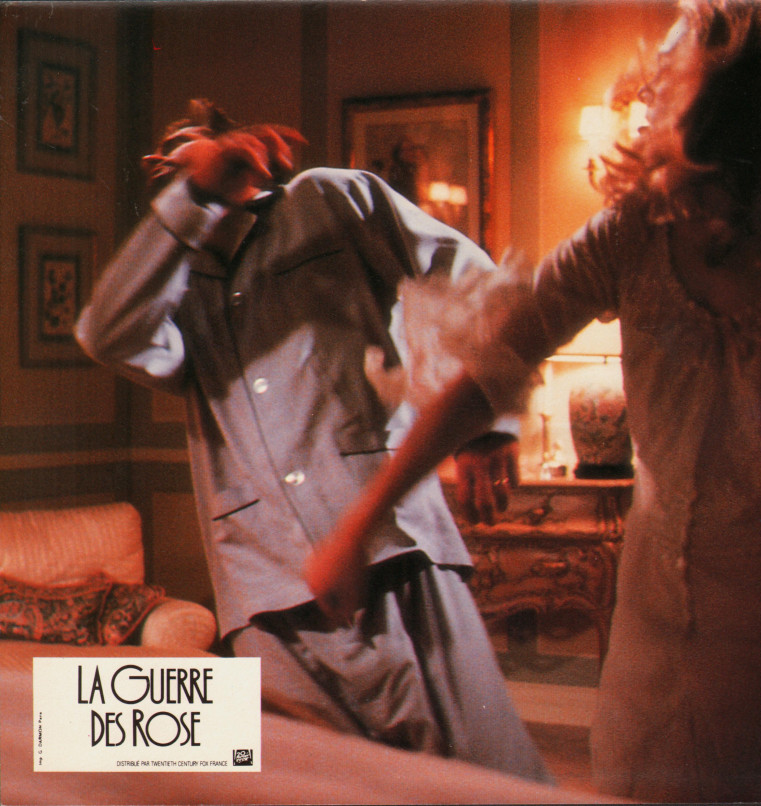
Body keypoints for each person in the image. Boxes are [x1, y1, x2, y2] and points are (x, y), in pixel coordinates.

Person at [305, 2, 761, 802]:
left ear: (733, 101)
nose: (649, 92)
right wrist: (361, 521)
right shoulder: (634, 231)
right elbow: (490, 367)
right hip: (649, 615)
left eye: (670, 74)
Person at [75, 99, 550, 784]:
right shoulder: (170, 286)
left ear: (236, 149)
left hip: (392, 551)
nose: (171, 164)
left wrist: (488, 420)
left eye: (191, 148)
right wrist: (191, 200)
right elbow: (105, 334)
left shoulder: (330, 198)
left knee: (483, 775)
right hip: (262, 588)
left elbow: (473, 277)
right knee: (321, 785)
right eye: (165, 166)